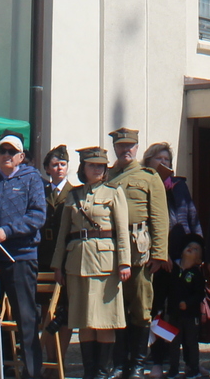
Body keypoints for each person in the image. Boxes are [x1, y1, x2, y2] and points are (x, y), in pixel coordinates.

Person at [0, 133, 49, 379]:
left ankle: (32, 373)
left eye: (11, 152)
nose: (6, 155)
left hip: (21, 258)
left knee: (26, 319)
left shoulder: (32, 179)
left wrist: (7, 231)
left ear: (21, 156)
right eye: (2, 151)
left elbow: (37, 215)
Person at [51, 145, 133, 379]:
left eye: (101, 165)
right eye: (92, 165)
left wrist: (124, 262)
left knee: (105, 320)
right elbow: (62, 234)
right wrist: (58, 264)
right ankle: (89, 371)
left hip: (105, 264)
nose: (97, 169)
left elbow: (122, 232)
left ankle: (103, 371)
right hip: (77, 263)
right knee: (84, 319)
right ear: (83, 168)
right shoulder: (73, 195)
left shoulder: (114, 192)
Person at [107, 128, 170, 379]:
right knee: (116, 309)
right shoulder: (107, 175)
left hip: (139, 251)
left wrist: (159, 254)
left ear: (136, 147)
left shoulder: (149, 176)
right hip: (110, 251)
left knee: (141, 308)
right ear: (114, 148)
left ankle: (137, 365)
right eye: (121, 146)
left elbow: (159, 217)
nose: (125, 150)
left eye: (130, 146)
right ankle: (119, 363)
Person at [157, 237, 206, 378]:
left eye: (196, 249)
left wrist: (188, 303)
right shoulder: (173, 270)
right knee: (173, 343)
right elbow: (167, 290)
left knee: (191, 342)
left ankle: (193, 368)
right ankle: (173, 368)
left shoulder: (196, 274)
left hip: (191, 316)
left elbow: (200, 294)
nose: (191, 248)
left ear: (198, 260)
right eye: (189, 246)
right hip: (174, 315)